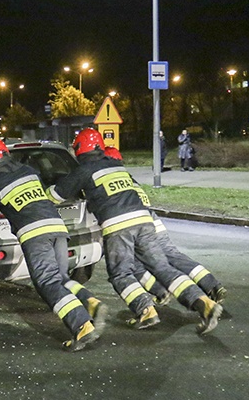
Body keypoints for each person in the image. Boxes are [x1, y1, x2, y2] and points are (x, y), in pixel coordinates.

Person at [48, 128, 223, 335]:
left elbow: (55, 195)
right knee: (163, 268)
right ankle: (203, 303)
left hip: (118, 225)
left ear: (80, 148)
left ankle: (145, 311)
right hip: (144, 220)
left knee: (120, 273)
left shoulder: (85, 170)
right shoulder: (116, 166)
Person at [0, 138, 104, 352]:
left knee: (47, 282)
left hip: (35, 234)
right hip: (58, 228)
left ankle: (81, 326)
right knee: (60, 278)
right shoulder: (29, 172)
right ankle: (89, 301)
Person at [105, 146, 229, 305]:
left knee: (134, 264)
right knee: (173, 256)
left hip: (137, 225)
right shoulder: (129, 179)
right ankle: (212, 285)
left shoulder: (108, 181)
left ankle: (161, 292)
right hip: (153, 222)